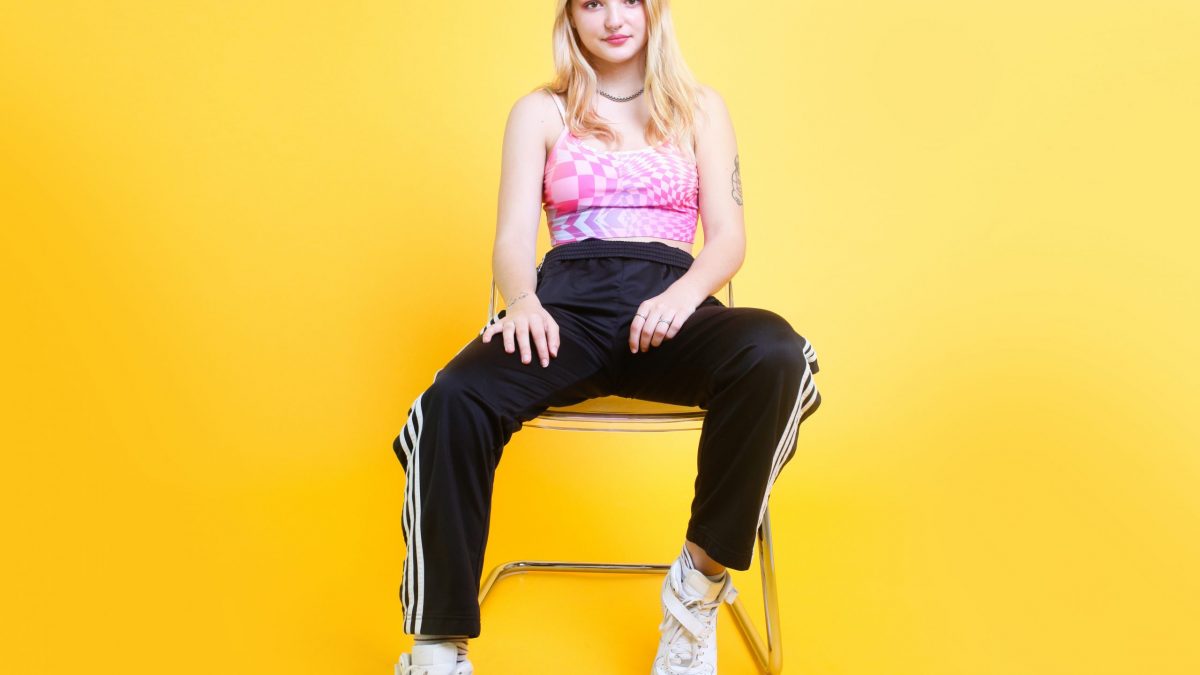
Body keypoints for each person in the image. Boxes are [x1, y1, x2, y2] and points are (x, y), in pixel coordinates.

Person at [391, 1, 822, 673]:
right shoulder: (540, 112)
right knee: (452, 398)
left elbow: (727, 238)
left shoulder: (701, 109)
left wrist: (682, 298)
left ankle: (696, 589)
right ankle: (437, 644)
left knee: (778, 354)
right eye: (592, 2)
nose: (614, 17)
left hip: (673, 309)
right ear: (570, 15)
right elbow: (511, 239)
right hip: (566, 311)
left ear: (653, 9)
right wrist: (523, 302)